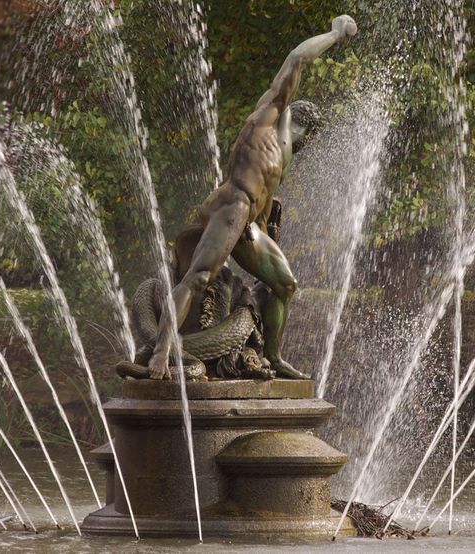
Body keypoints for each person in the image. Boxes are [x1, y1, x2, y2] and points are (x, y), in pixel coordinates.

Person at [148, 14, 358, 380]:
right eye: (307, 137)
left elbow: (263, 200)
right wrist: (335, 33)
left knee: (285, 285)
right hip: (232, 204)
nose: (305, 145)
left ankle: (273, 357)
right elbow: (296, 59)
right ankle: (162, 351)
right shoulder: (269, 113)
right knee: (198, 277)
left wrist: (261, 228)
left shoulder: (282, 155)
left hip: (248, 221)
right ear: (301, 123)